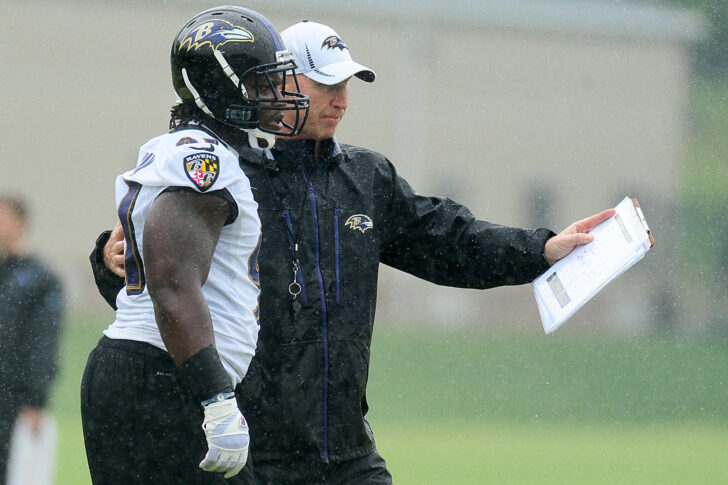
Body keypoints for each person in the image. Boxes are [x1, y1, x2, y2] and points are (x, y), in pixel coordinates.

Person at [90, 19, 615, 484]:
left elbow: (451, 242)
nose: (342, 98)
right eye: (325, 84)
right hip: (252, 446)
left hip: (344, 450)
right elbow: (157, 283)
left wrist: (541, 248)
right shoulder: (226, 169)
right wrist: (109, 260)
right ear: (280, 81)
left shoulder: (366, 178)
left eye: (347, 83)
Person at [80, 6, 309, 484]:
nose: (275, 95)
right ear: (221, 85)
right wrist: (216, 400)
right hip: (166, 378)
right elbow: (172, 280)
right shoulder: (204, 161)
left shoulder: (184, 148)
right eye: (260, 83)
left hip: (147, 371)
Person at [0, 195, 64, 484]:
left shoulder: (41, 279)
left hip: (14, 398)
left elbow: (44, 344)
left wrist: (36, 399)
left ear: (20, 223)